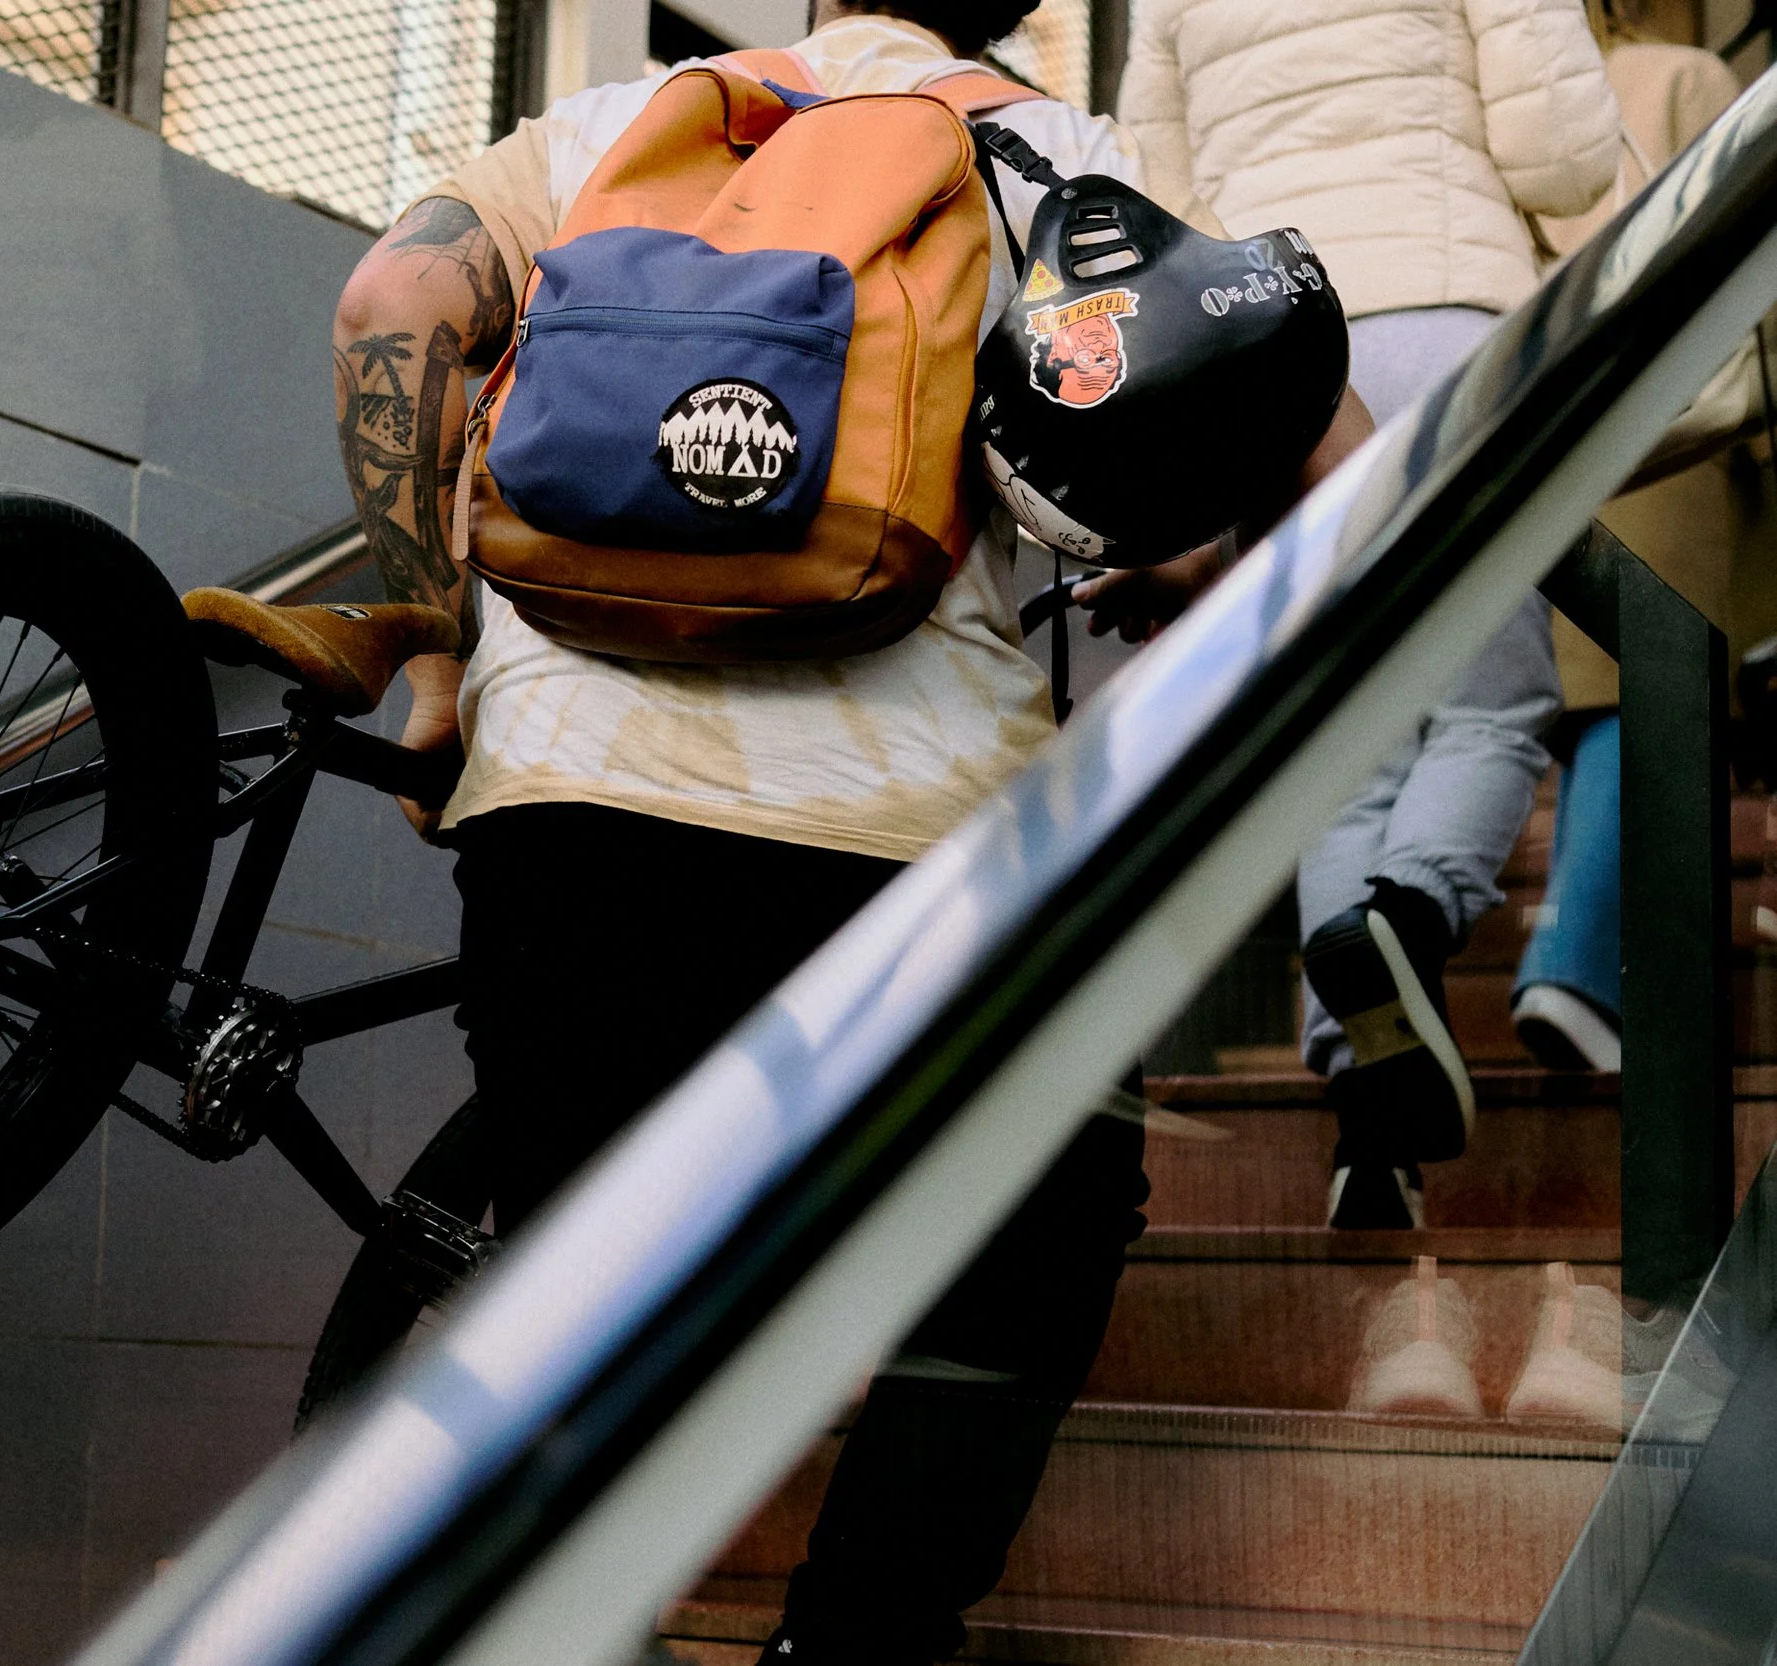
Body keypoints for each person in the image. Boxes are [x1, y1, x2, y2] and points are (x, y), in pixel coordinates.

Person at [329, 2, 1364, 1658]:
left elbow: (392, 306)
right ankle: (860, 1638)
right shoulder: (1055, 161)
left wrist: (441, 664)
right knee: (1030, 1224)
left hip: (570, 819)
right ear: (1019, 8)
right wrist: (1196, 575)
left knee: (582, 1289)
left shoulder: (608, 131)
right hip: (915, 852)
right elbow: (1333, 443)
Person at [1105, 0, 1619, 1228]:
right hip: (1445, 328)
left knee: (1348, 739)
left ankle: (1369, 1128)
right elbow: (1562, 153)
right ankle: (1408, 914)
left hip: (1270, 352)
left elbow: (1151, 195)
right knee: (1490, 700)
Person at [1514, 8, 1755, 1072]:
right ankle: (1572, 963)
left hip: (1555, 442)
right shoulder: (1688, 78)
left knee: (1597, 700)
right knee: (1656, 691)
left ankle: (1610, 978)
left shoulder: (1516, 118)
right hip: (1674, 443)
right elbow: (1747, 258)